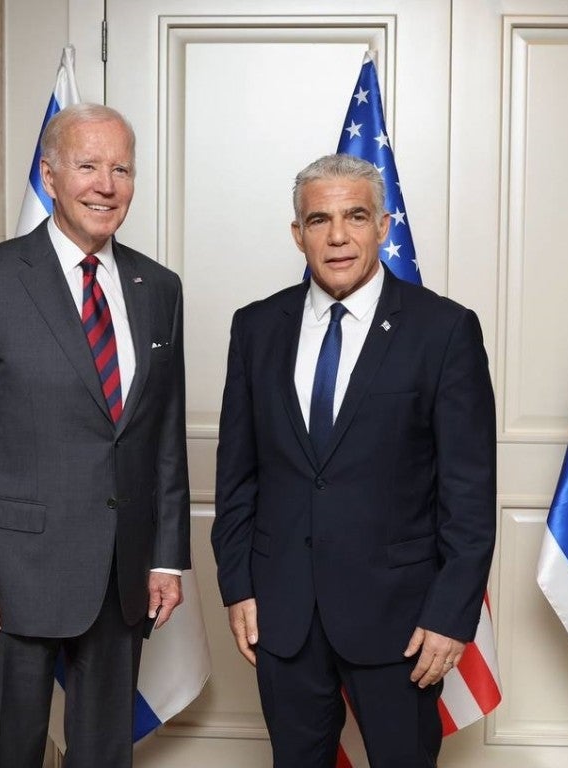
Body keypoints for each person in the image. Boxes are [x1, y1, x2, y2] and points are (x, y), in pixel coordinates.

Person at [0, 103, 190, 768]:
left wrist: (165, 557)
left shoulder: (158, 288)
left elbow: (163, 438)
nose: (106, 184)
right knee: (9, 753)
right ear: (50, 174)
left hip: (121, 581)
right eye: (88, 165)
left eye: (121, 168)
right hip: (10, 582)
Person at [211, 154, 496, 768]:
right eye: (319, 220)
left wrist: (451, 616)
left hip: (403, 621)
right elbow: (237, 476)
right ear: (298, 234)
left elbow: (469, 494)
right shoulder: (256, 328)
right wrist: (237, 586)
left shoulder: (444, 330)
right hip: (281, 615)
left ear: (384, 225)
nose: (337, 236)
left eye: (355, 216)